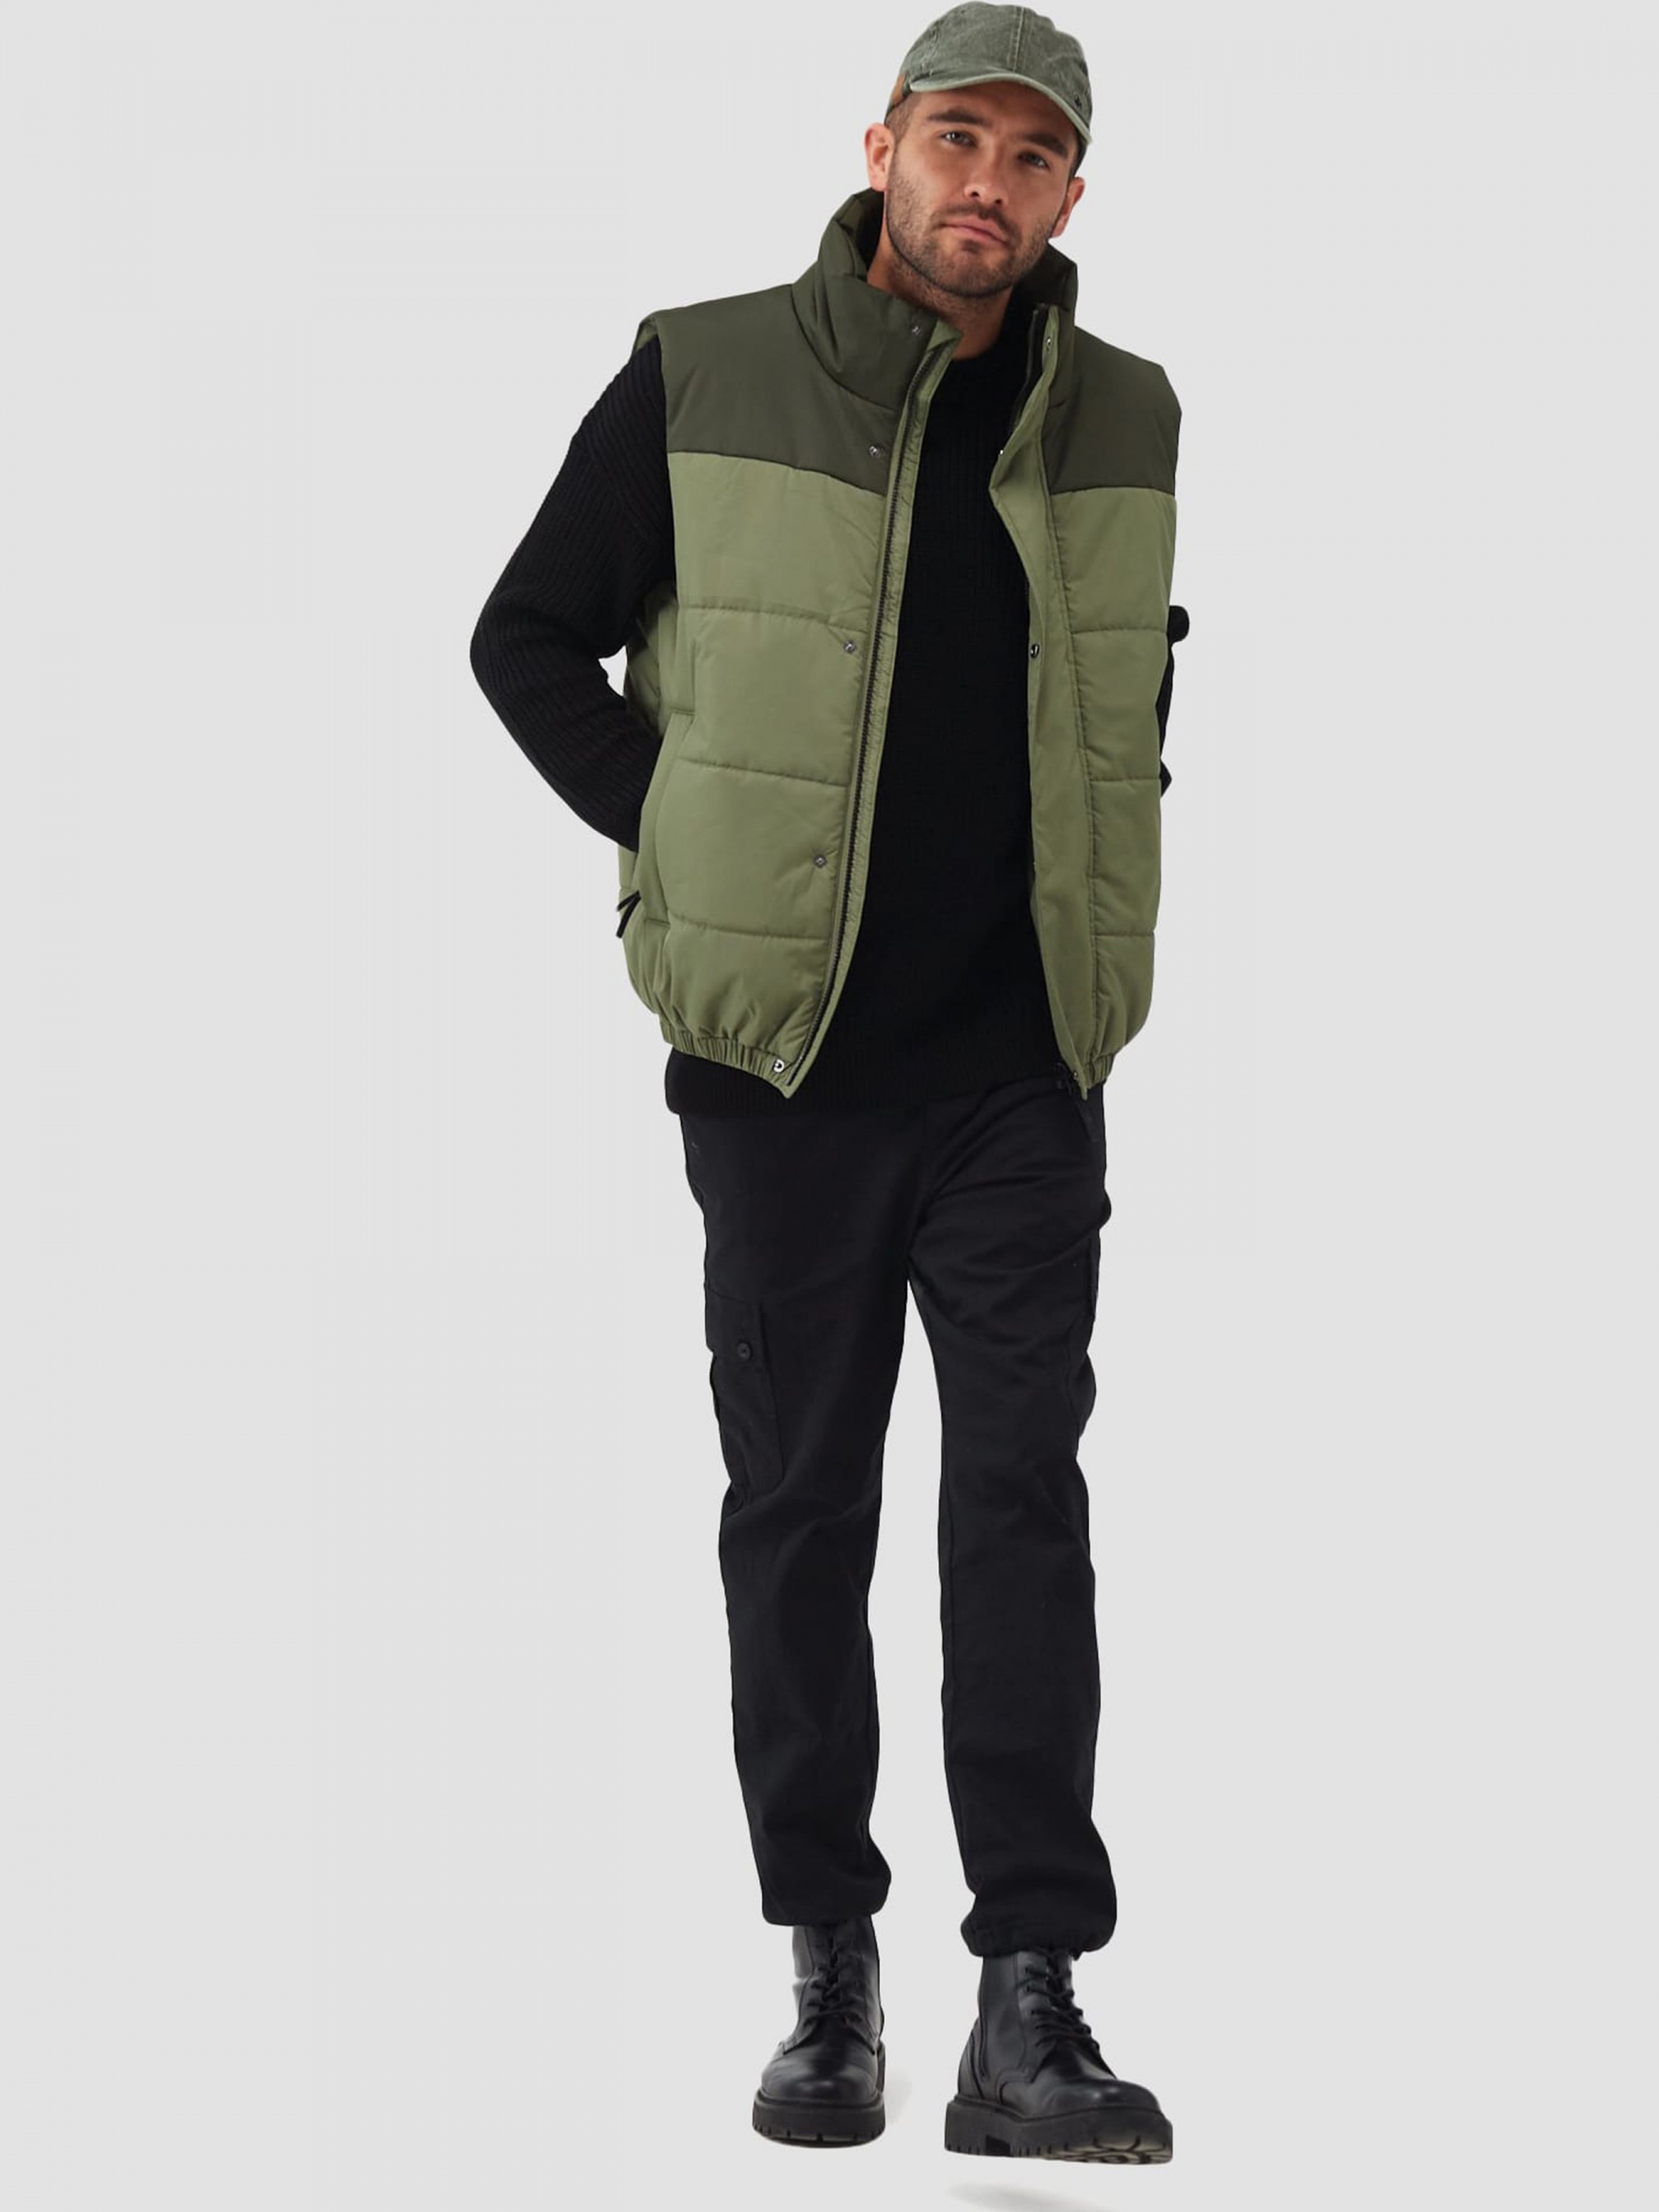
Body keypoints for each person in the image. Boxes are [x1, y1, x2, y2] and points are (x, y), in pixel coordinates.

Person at [469, 2, 1186, 2166]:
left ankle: (1029, 2000)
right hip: (782, 1071)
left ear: (1070, 194)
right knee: (799, 1514)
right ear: (881, 148)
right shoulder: (705, 370)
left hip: (1021, 1071)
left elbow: (1123, 684)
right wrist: (682, 838)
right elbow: (524, 636)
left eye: (1033, 157)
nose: (990, 184)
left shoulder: (1125, 409)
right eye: (957, 138)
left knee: (1021, 1506)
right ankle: (827, 1969)